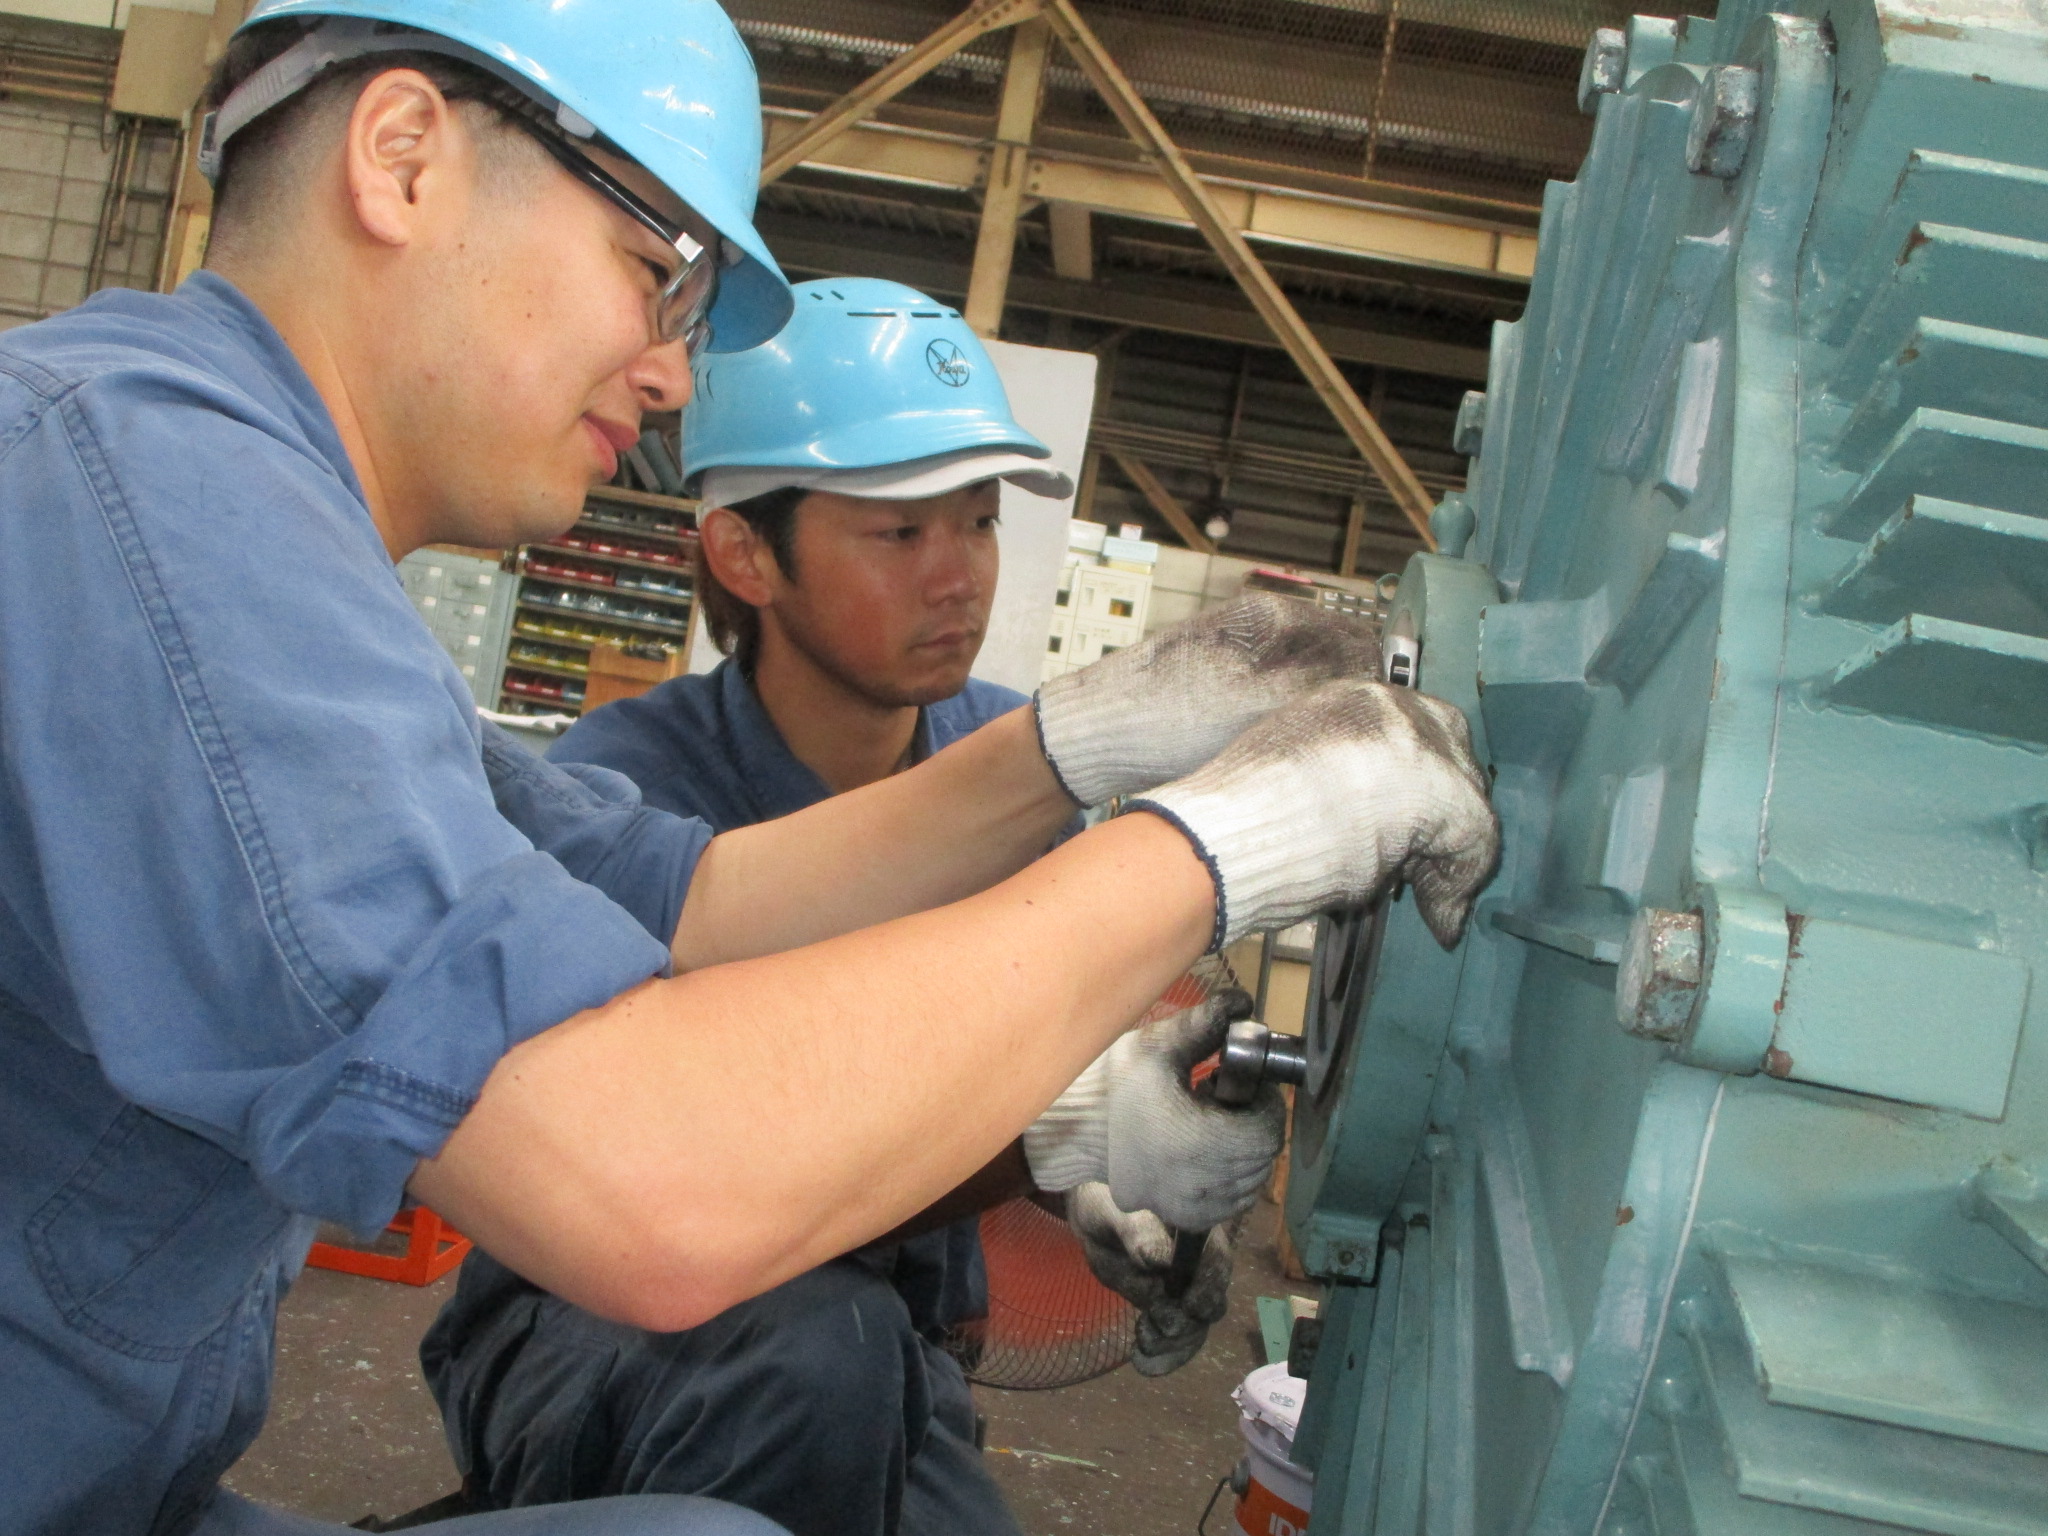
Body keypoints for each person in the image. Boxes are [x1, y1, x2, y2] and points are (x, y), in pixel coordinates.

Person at [0, 1, 1501, 1533]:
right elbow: (644, 1186)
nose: (665, 376)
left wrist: (1076, 746)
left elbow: (692, 897)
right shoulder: (154, 498)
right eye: (656, 275)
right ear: (401, 160)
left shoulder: (209, 509)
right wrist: (1220, 848)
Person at [422, 280, 1250, 1535]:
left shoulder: (1017, 774)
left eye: (975, 526)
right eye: (897, 534)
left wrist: (1103, 1188)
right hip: (596, 1323)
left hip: (886, 1345)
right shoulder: (619, 792)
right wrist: (1039, 1145)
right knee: (810, 1361)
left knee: (859, 1376)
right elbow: (680, 1169)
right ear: (744, 553)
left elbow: (1048, 1051)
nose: (957, 578)